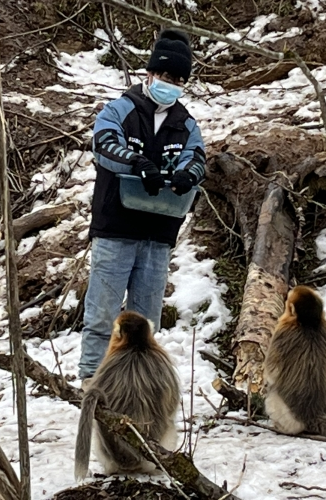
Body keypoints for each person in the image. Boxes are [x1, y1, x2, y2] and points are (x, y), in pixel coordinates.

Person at [78, 29, 206, 385]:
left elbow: (197, 158)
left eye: (178, 80)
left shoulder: (186, 124)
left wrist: (187, 175)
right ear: (149, 74)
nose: (171, 85)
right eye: (165, 76)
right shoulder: (120, 110)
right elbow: (104, 144)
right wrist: (137, 163)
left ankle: (136, 385)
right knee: (102, 314)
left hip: (158, 233)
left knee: (146, 321)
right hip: (115, 228)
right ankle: (91, 380)